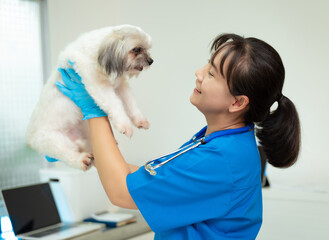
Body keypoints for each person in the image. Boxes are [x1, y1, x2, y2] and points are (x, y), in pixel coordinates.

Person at [55, 33, 301, 240]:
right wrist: (88, 153)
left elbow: (122, 192)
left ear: (237, 102)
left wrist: (95, 109)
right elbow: (147, 178)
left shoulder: (219, 159)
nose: (199, 72)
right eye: (208, 64)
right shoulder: (225, 142)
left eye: (212, 73)